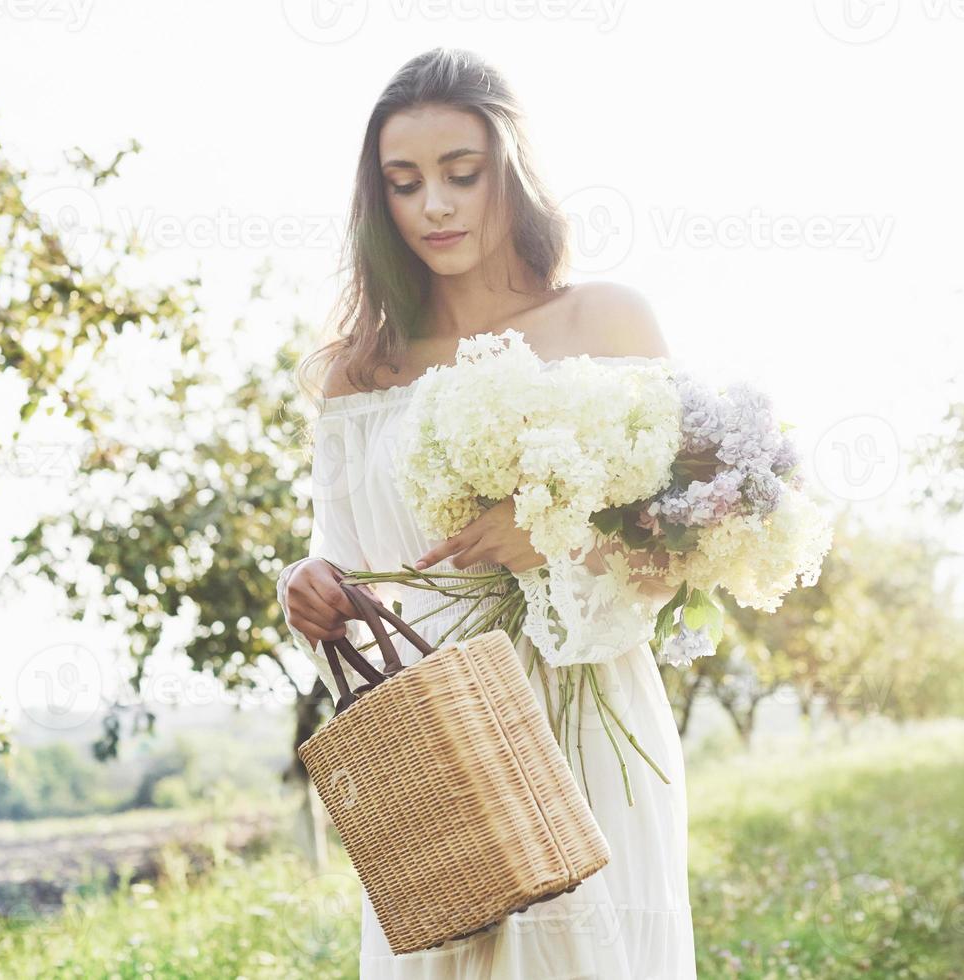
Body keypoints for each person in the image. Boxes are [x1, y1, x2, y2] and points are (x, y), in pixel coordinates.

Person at [276, 46, 697, 980]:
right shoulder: (360, 368)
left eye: (462, 175)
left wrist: (555, 534)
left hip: (588, 727)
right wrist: (307, 586)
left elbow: (683, 539)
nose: (435, 204)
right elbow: (342, 557)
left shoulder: (607, 320)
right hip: (440, 745)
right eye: (405, 182)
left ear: (510, 174)